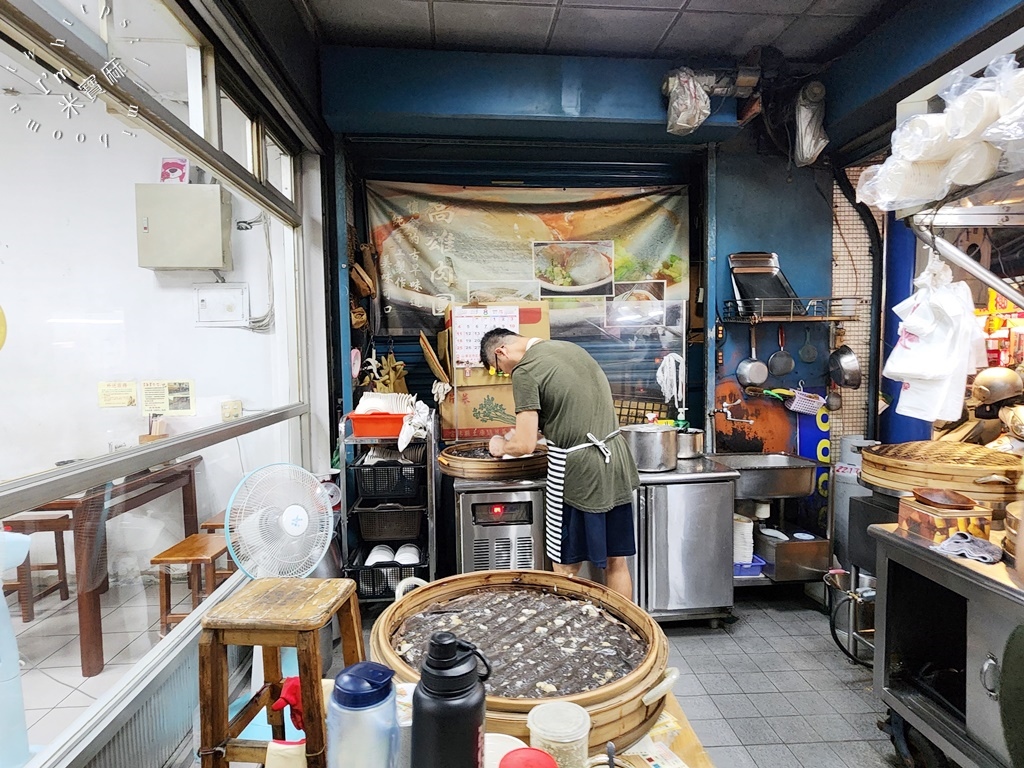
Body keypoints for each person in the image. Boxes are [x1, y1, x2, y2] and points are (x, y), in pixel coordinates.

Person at [479, 328, 639, 600]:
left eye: (498, 370)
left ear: (500, 352)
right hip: (616, 462)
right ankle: (624, 630)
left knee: (564, 565)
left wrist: (500, 446)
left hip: (578, 473)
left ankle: (572, 637)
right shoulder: (568, 348)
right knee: (616, 560)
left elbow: (524, 445)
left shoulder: (525, 371)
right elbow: (572, 410)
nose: (504, 375)